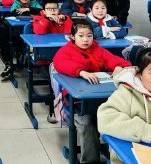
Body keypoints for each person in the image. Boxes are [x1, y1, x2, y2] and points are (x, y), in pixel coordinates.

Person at [53, 18, 131, 163]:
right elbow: (59, 63)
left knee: (122, 116)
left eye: (89, 36)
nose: (85, 39)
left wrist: (118, 67)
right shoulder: (66, 51)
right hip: (77, 100)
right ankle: (90, 160)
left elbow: (112, 59)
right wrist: (81, 72)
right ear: (72, 37)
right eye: (81, 36)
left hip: (101, 97)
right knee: (87, 122)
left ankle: (117, 156)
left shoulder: (97, 49)